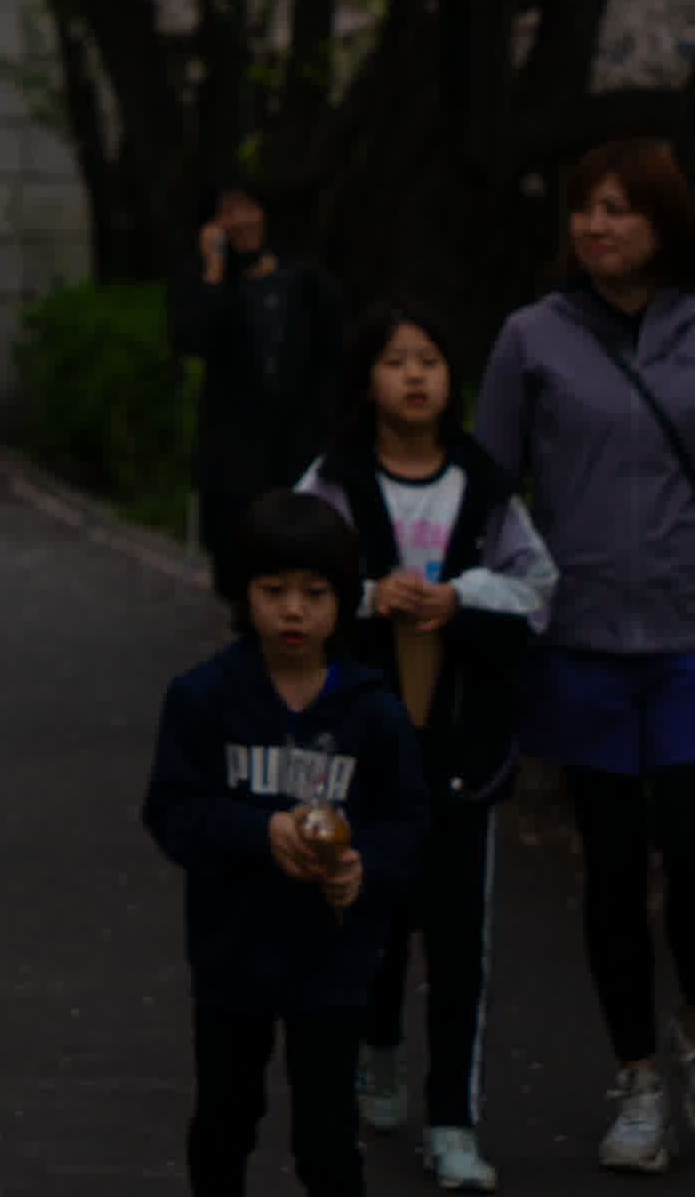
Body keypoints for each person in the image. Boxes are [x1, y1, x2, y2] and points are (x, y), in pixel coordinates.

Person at [298, 300, 558, 1190]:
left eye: (432, 361)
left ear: (454, 383)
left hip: (459, 752)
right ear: (367, 379)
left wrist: (465, 597)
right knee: (368, 919)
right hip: (358, 755)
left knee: (458, 942)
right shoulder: (333, 481)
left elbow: (538, 588)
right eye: (397, 360)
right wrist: (373, 597)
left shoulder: (482, 487)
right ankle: (375, 1054)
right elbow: (293, 584)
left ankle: (454, 1120)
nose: (416, 376)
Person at [473, 140, 695, 1174]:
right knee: (611, 868)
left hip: (691, 643)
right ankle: (640, 1076)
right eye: (584, 210)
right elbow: (487, 489)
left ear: (662, 221)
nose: (597, 225)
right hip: (585, 648)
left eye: (619, 209)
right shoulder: (532, 339)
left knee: (692, 858)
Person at [143, 489, 430, 1197]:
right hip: (231, 953)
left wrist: (366, 867)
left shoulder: (373, 713)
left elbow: (408, 821)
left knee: (328, 1139)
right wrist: (256, 831)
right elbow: (171, 812)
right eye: (274, 592)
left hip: (333, 957)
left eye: (315, 593)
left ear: (345, 601)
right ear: (243, 594)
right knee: (225, 1122)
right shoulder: (203, 698)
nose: (294, 611)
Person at [171, 175, 344, 602]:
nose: (239, 220)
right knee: (236, 569)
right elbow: (191, 339)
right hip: (232, 455)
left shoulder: (302, 280)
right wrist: (213, 270)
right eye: (226, 211)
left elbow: (332, 356)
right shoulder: (205, 283)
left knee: (300, 560)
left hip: (297, 449)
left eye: (247, 207)